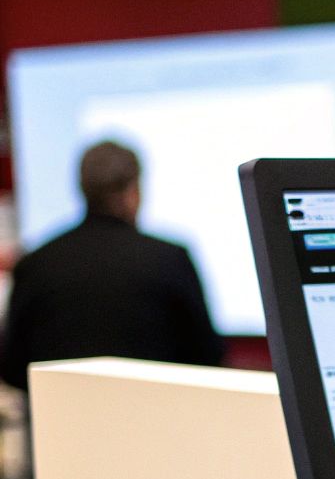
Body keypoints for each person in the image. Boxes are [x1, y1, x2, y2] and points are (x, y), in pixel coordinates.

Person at [0, 140, 223, 392]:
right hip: (157, 422)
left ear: (82, 189)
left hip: (60, 427)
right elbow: (208, 357)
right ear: (134, 192)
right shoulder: (170, 258)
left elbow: (13, 369)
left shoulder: (35, 264)